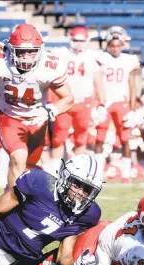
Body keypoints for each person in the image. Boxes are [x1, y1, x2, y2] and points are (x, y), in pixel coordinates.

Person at [0, 24, 74, 188]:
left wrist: (52, 110)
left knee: (29, 167)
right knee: (18, 158)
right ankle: (9, 203)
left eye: (32, 51)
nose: (27, 57)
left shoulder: (48, 67)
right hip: (9, 117)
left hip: (37, 120)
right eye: (22, 51)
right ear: (10, 48)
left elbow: (68, 98)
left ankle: (15, 199)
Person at [0, 155, 102, 265]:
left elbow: (64, 257)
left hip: (13, 257)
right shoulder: (39, 182)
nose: (80, 193)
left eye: (87, 190)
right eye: (77, 185)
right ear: (65, 177)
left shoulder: (88, 215)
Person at [48, 26, 104, 172]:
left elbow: (98, 81)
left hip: (83, 102)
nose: (78, 44)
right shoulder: (60, 53)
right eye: (75, 40)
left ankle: (78, 171)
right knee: (58, 138)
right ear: (70, 40)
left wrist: (102, 104)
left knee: (81, 139)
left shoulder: (93, 57)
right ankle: (54, 172)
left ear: (87, 41)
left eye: (81, 40)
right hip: (64, 102)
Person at [94, 26, 139, 183]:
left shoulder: (129, 60)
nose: (115, 48)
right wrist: (99, 102)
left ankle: (126, 174)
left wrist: (133, 107)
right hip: (106, 103)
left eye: (118, 45)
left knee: (125, 137)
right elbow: (97, 81)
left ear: (123, 45)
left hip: (122, 102)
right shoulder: (101, 58)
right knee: (100, 138)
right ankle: (97, 174)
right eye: (112, 45)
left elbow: (133, 84)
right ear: (108, 45)